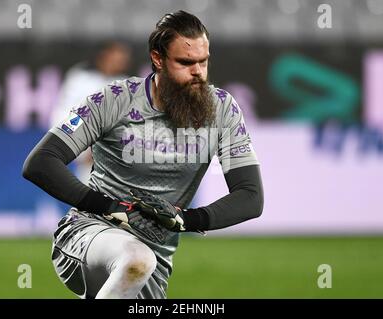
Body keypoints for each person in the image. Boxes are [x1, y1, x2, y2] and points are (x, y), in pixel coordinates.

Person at [22, 10, 264, 299]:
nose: (198, 72)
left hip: (155, 256)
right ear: (158, 59)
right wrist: (111, 207)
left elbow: (251, 195)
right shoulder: (113, 99)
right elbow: (40, 162)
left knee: (141, 262)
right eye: (186, 62)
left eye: (203, 61)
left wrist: (188, 219)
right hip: (88, 235)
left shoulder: (222, 108)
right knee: (138, 260)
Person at [49, 41, 132, 184]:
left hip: (115, 156)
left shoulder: (127, 84)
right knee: (88, 198)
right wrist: (81, 148)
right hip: (86, 153)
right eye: (118, 56)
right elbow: (63, 113)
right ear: (105, 55)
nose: (122, 61)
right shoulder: (80, 79)